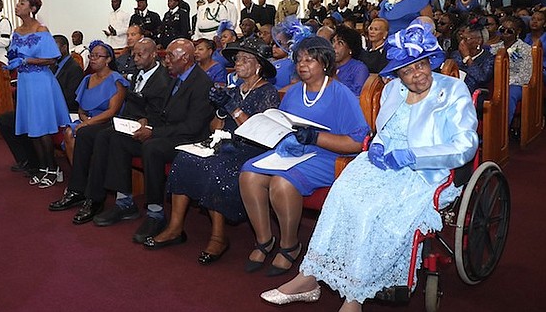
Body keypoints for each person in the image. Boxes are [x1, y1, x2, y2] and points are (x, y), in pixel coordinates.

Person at [261, 22, 478, 310]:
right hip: (383, 162)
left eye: (422, 65)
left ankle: (354, 296)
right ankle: (309, 277)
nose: (417, 75)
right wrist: (377, 144)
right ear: (397, 74)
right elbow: (383, 130)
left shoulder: (453, 90)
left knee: (369, 210)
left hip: (426, 170)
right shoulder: (393, 91)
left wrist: (413, 155)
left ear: (430, 61)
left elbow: (465, 145)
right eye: (408, 71)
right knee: (340, 197)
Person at [240, 35, 369, 276]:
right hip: (292, 152)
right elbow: (284, 125)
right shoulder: (293, 91)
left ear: (325, 63)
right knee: (249, 172)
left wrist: (315, 138)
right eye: (299, 59)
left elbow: (356, 142)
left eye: (310, 59)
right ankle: (265, 239)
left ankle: (290, 245)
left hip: (328, 157)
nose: (302, 64)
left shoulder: (340, 93)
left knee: (282, 182)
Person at [144, 37, 280, 264]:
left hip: (250, 149)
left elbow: (259, 132)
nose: (238, 62)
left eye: (245, 59)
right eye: (237, 59)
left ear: (258, 66)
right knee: (184, 158)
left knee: (216, 168)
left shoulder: (268, 93)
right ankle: (175, 227)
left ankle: (219, 237)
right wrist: (218, 110)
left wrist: (232, 107)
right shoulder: (234, 90)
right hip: (223, 143)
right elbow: (214, 128)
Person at [93, 39, 214, 243]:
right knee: (118, 137)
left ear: (184, 58)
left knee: (152, 147)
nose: (165, 60)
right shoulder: (176, 77)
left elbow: (192, 127)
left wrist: (153, 131)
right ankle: (124, 202)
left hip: (188, 140)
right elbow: (163, 112)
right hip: (167, 131)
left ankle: (156, 213)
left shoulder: (202, 83)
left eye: (170, 56)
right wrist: (147, 121)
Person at [48, 38, 171, 224]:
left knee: (103, 136)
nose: (135, 58)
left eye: (140, 54)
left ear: (154, 54)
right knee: (84, 133)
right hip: (129, 123)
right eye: (134, 54)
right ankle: (77, 189)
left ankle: (96, 198)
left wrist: (143, 122)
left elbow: (159, 112)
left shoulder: (163, 79)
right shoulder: (138, 72)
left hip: (146, 130)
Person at [5, 0, 70, 188]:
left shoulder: (41, 30)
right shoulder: (16, 31)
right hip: (24, 81)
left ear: (32, 9)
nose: (17, 6)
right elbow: (14, 54)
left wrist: (28, 60)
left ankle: (53, 168)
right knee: (32, 128)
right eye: (18, 2)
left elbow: (52, 59)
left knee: (43, 128)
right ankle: (42, 168)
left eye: (22, 3)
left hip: (40, 81)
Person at [0, 34, 83, 175]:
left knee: (36, 123)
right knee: (5, 120)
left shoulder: (73, 68)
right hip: (40, 106)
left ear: (64, 48)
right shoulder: (49, 66)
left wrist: (46, 100)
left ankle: (47, 167)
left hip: (59, 109)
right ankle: (29, 161)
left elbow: (71, 98)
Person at [62, 40, 128, 164]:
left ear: (108, 59)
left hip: (107, 122)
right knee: (69, 132)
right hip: (88, 120)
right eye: (91, 56)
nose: (92, 59)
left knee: (81, 132)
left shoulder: (116, 80)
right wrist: (86, 121)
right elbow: (81, 110)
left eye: (97, 56)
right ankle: (78, 173)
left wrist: (88, 123)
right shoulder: (87, 79)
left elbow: (112, 111)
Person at [500, 15, 532, 133]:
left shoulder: (525, 49)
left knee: (509, 93)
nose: (505, 33)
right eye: (502, 30)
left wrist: (504, 82)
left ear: (517, 32)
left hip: (516, 84)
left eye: (510, 31)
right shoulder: (495, 47)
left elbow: (525, 75)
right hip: (497, 80)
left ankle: (501, 132)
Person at [451, 21, 494, 94]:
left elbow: (482, 78)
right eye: (461, 37)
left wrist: (467, 58)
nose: (461, 42)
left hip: (476, 94)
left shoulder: (488, 58)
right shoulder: (456, 55)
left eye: (466, 39)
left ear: (479, 41)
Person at [332, 25, 369, 97]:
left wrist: (332, 76)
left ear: (350, 49)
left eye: (340, 43)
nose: (333, 46)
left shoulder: (359, 69)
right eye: (333, 42)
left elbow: (357, 97)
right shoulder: (327, 65)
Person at [525, 9, 546, 83]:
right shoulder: (525, 37)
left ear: (544, 24)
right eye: (532, 19)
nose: (535, 21)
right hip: (527, 70)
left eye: (539, 20)